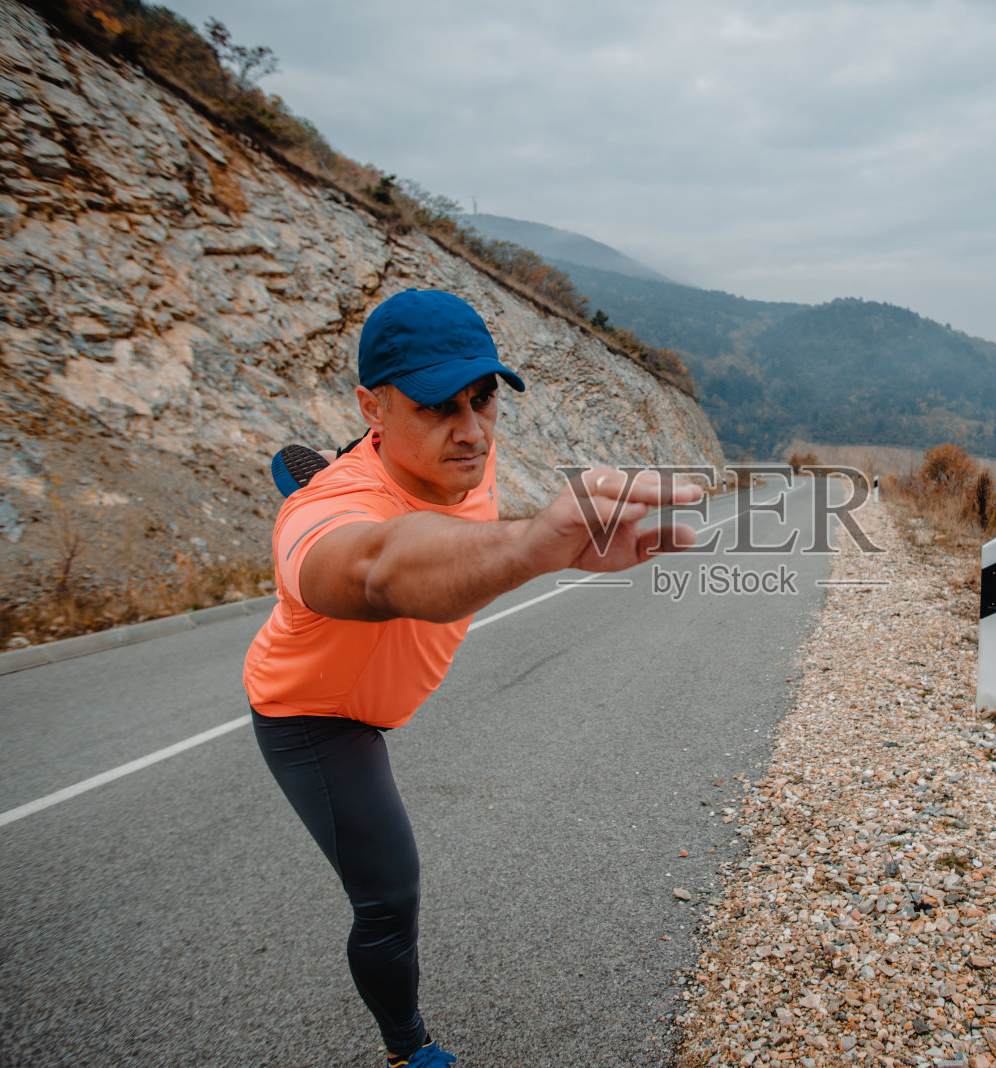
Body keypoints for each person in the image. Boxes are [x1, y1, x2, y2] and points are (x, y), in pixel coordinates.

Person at [243, 288, 701, 1067]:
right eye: (436, 406)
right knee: (389, 893)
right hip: (316, 714)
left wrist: (541, 544)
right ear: (373, 407)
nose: (472, 430)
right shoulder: (324, 524)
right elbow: (377, 566)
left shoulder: (461, 456)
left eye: (483, 398)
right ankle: (407, 1050)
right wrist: (528, 552)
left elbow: (446, 530)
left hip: (368, 583)